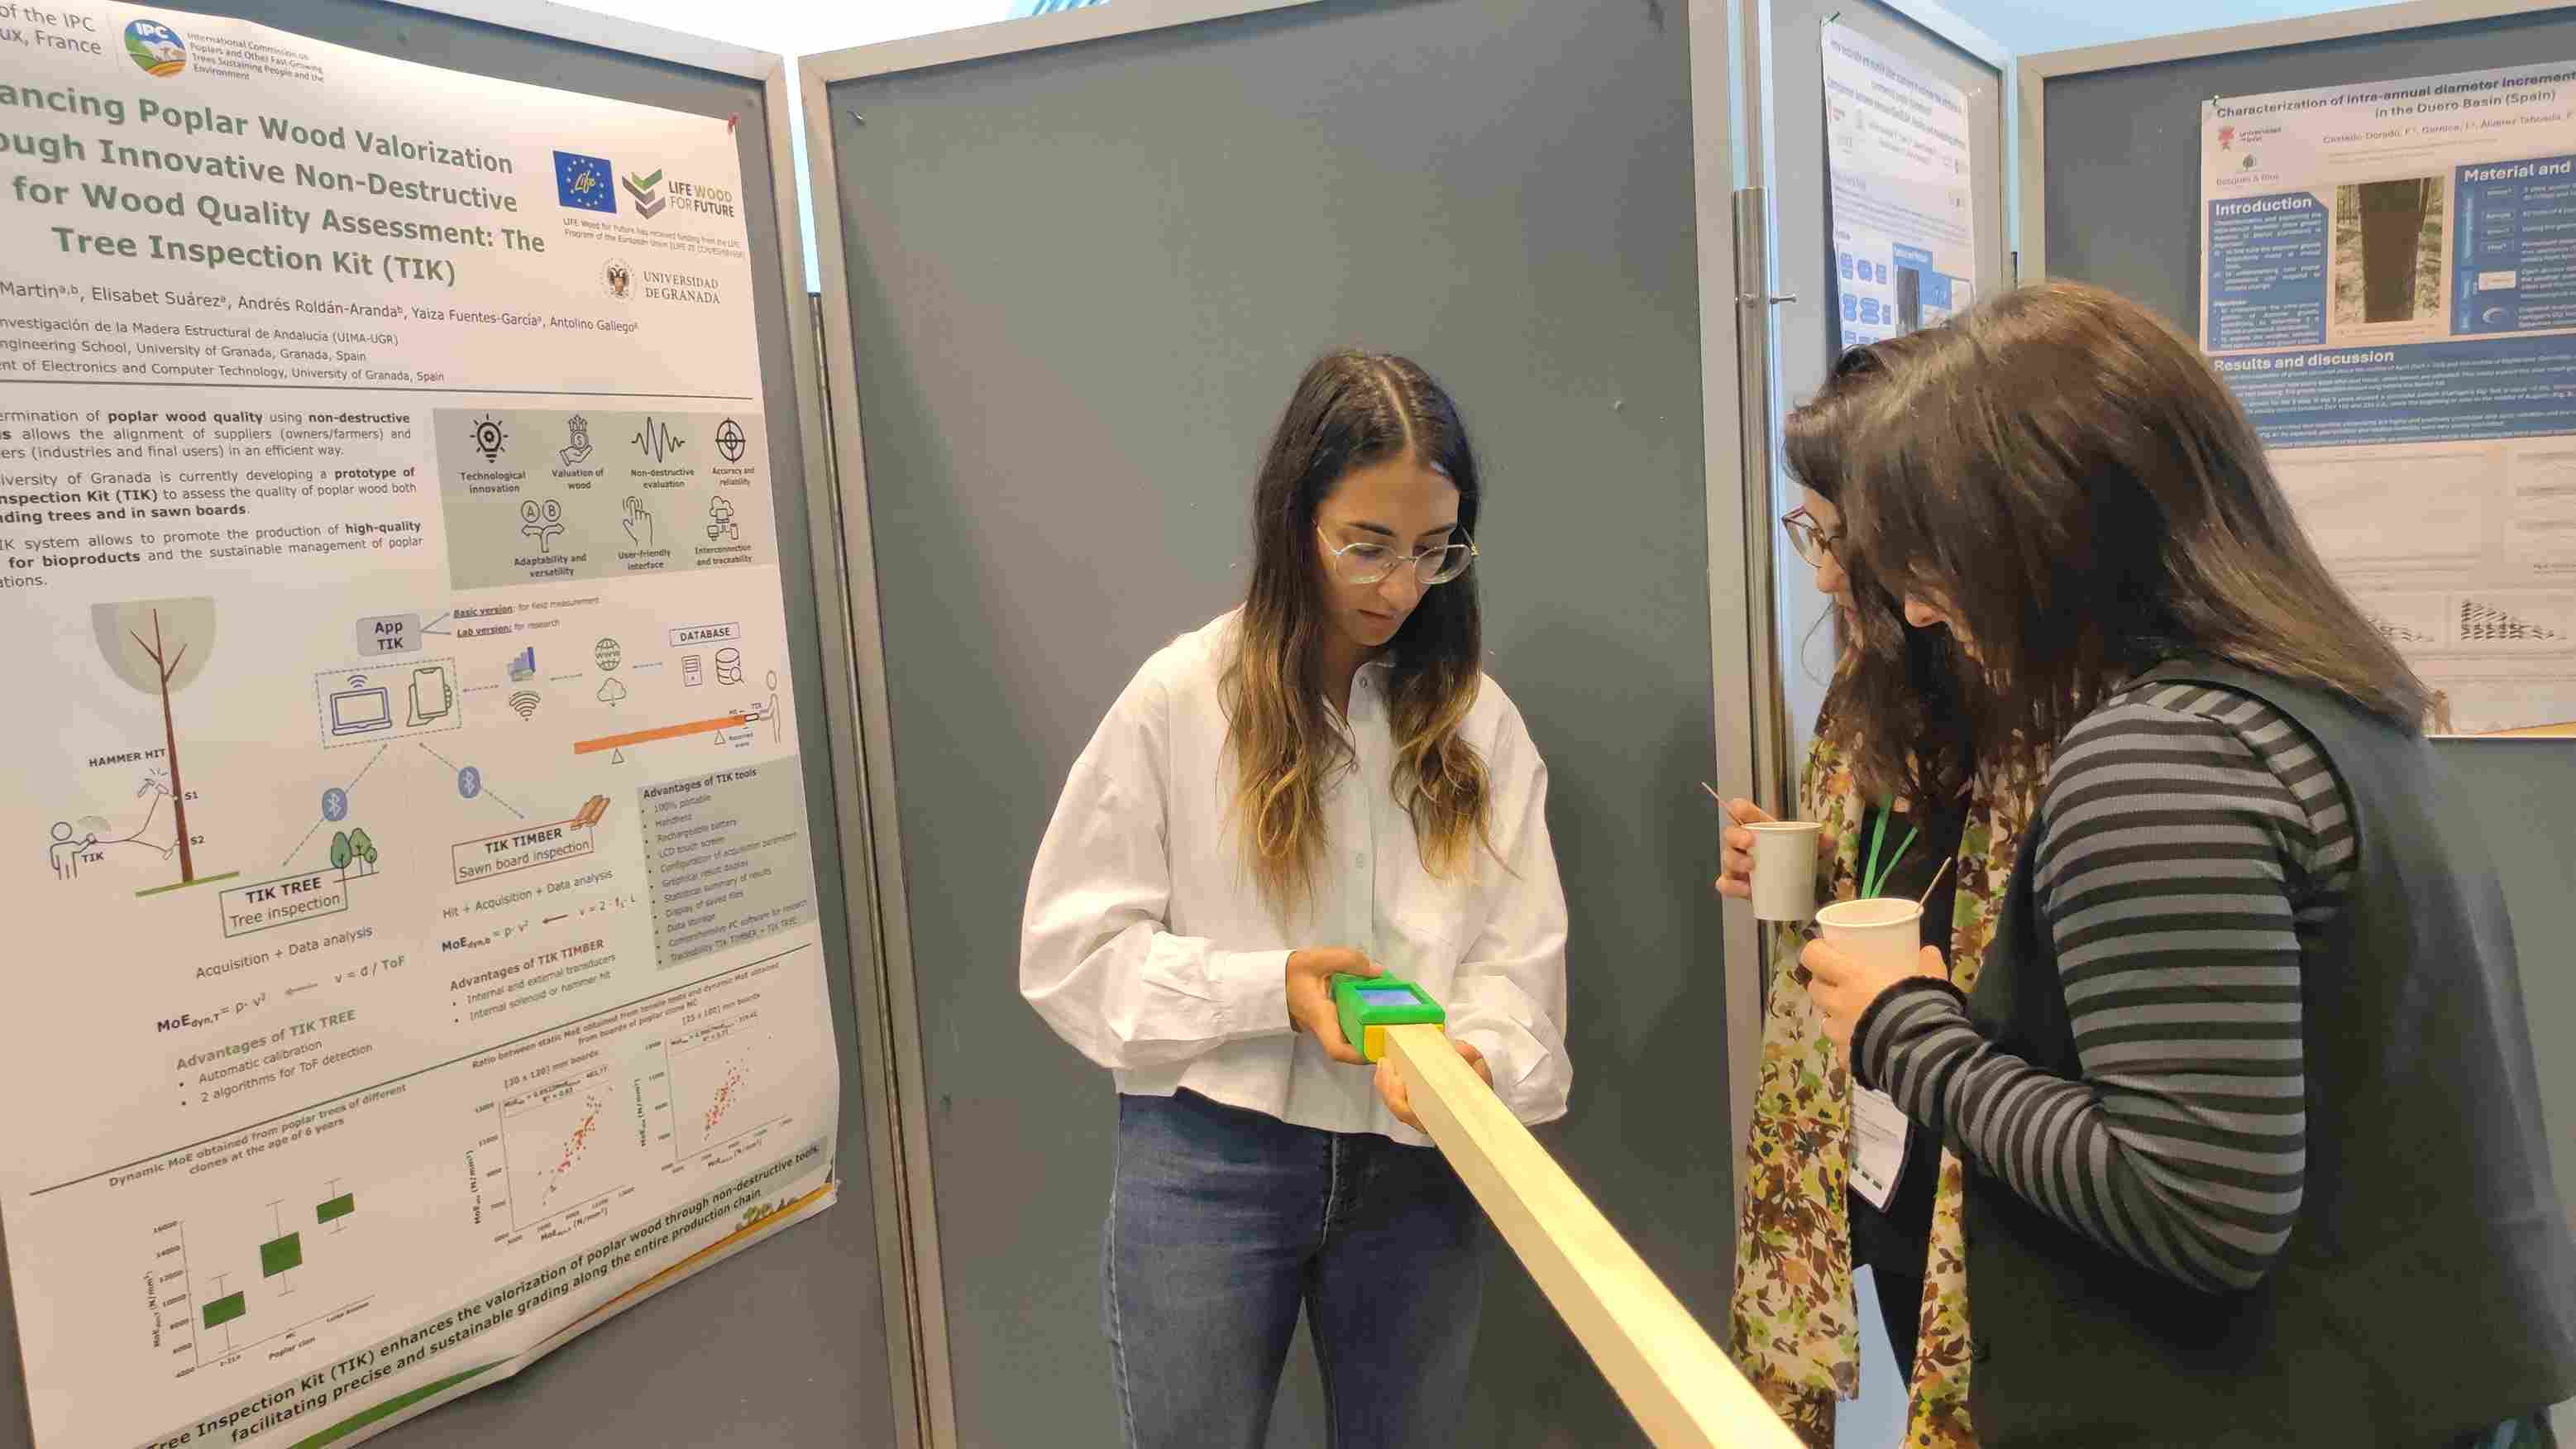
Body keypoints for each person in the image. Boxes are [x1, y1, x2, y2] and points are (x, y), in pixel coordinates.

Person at [1799, 280, 2576, 1447]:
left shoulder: (2161, 761)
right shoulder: (2336, 707)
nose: (1913, 607)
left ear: (2049, 535)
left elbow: (2194, 1206)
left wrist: (1904, 1026)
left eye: (1935, 558)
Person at [1020, 350, 1570, 1449]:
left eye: (1432, 549)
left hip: (1422, 1164)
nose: (1400, 587)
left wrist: (1480, 1061)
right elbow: (1073, 955)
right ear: (1293, 520)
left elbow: (1518, 963)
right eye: (1365, 545)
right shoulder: (1183, 700)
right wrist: (1268, 989)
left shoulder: (1478, 724)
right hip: (1210, 1153)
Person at [1719, 337, 2038, 1449]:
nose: (1821, 574)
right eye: (1810, 531)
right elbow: (1857, 909)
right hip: (1877, 1149)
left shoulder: (2059, 723)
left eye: (1841, 542)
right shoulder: (1866, 692)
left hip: (2003, 1179)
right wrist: (1786, 872)